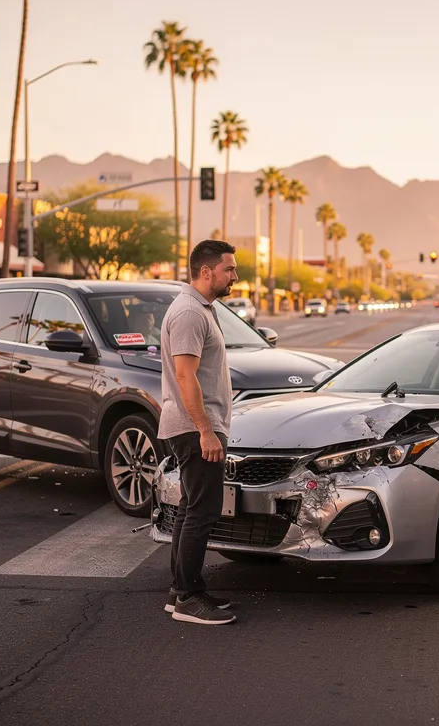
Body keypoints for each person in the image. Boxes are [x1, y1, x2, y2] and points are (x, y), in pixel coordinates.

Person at [159, 239, 240, 625]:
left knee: (191, 509)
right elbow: (184, 375)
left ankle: (182, 591)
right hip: (195, 428)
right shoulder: (191, 313)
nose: (234, 276)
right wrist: (205, 431)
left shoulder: (201, 309)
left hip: (195, 425)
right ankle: (189, 597)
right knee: (202, 512)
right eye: (229, 269)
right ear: (206, 271)